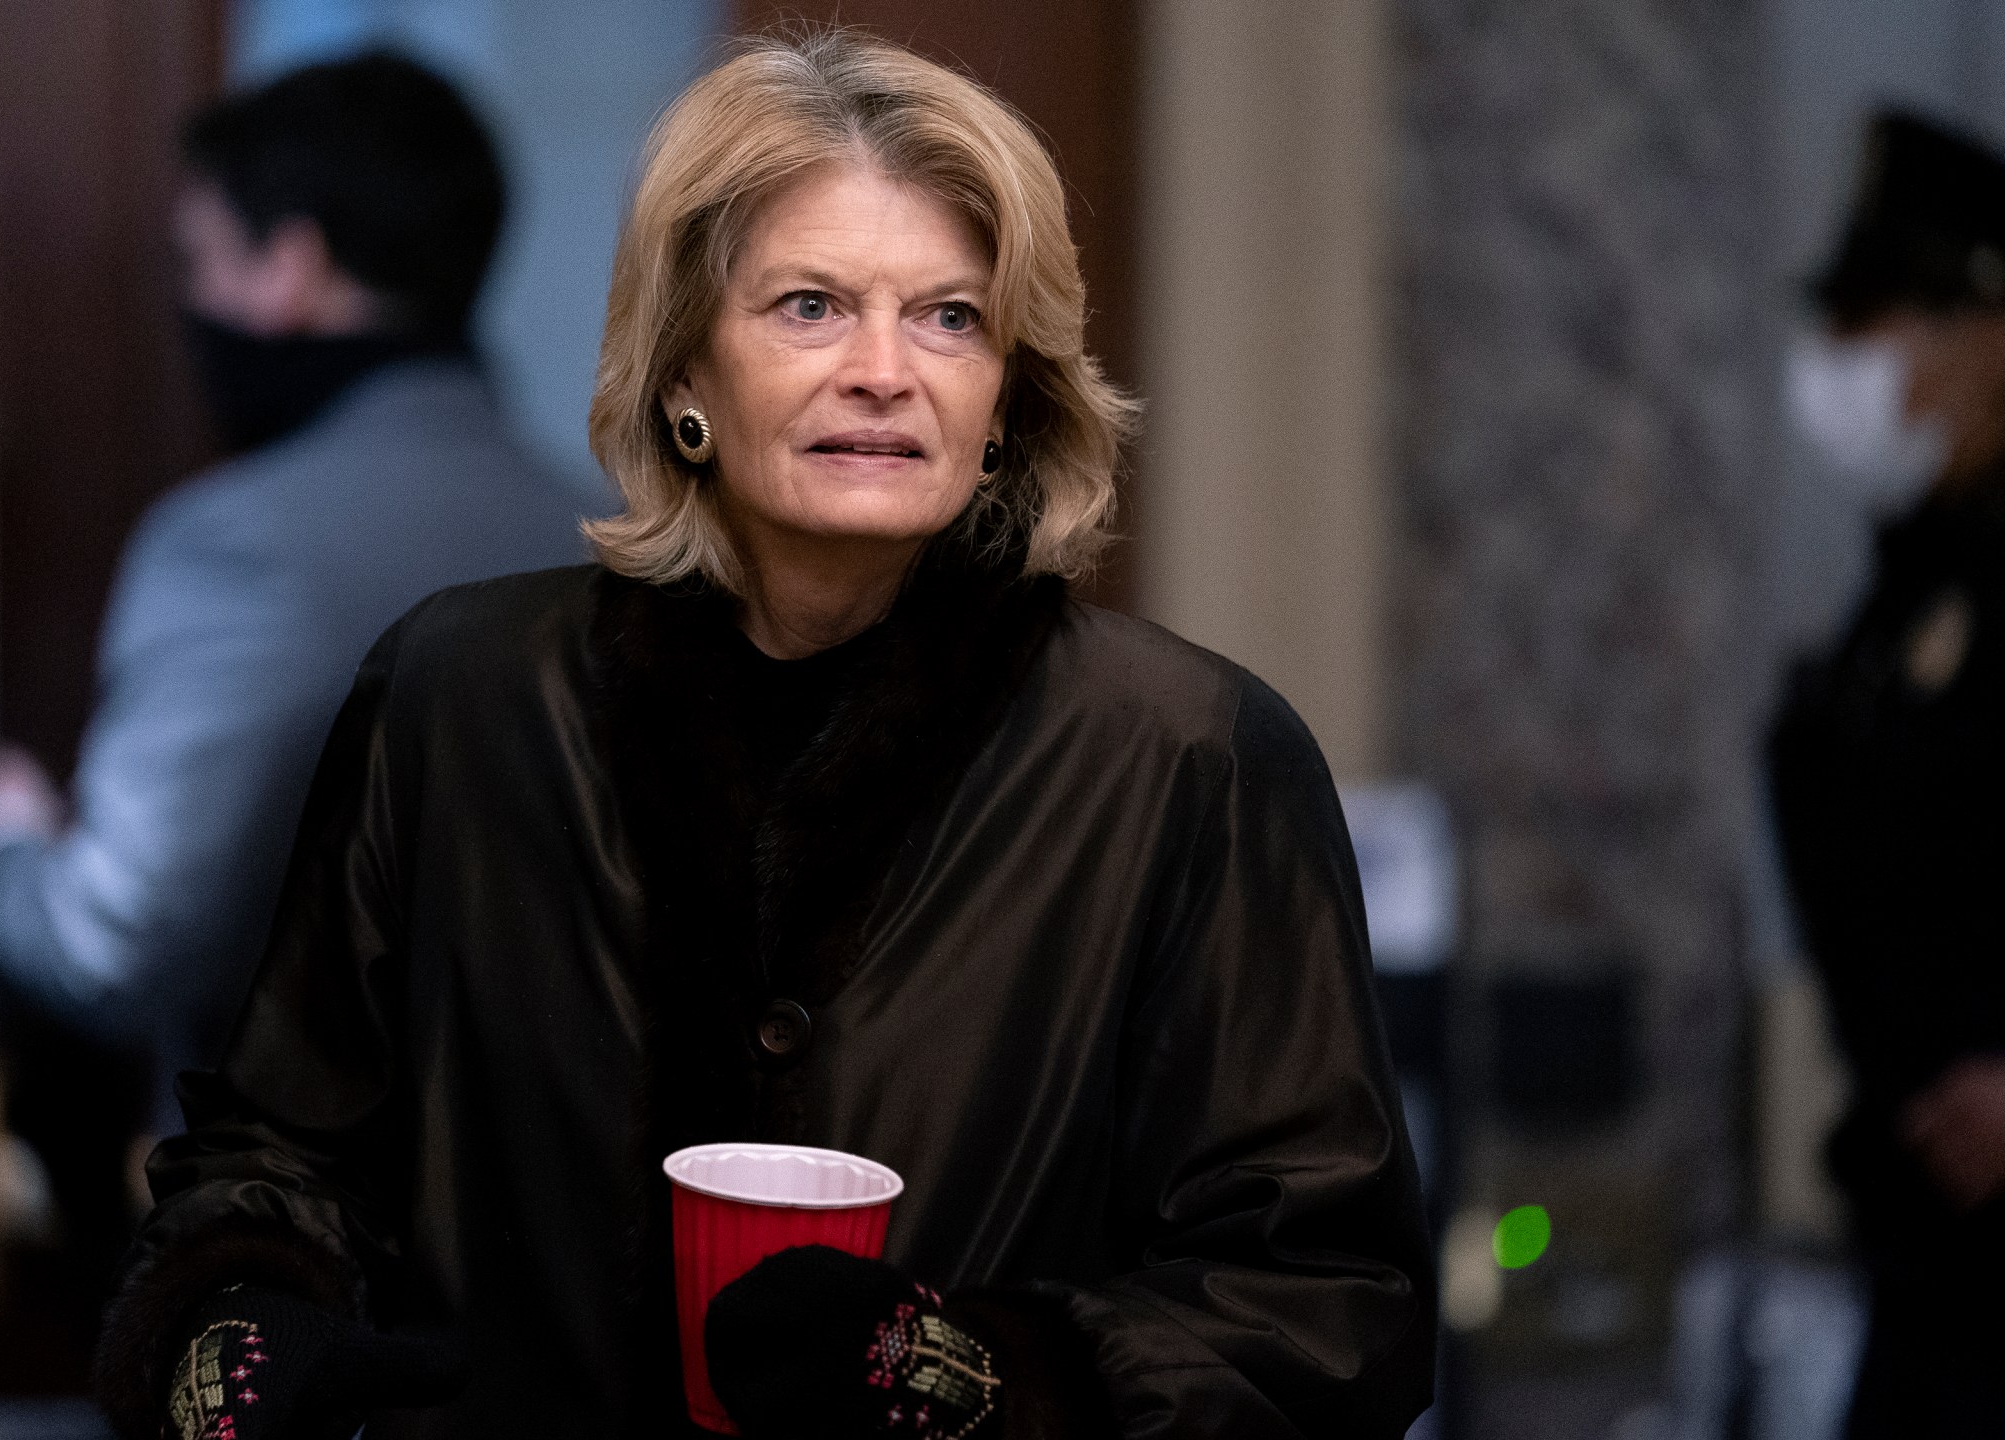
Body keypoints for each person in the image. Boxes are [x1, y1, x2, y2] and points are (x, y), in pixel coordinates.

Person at [96, 30, 1434, 1440]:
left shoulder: (1189, 758)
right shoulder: (459, 696)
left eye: (950, 318)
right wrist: (230, 1345)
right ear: (683, 372)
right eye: (809, 306)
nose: (883, 370)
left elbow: (1330, 1306)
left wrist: (969, 1381)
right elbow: (279, 1156)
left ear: (1007, 401)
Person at [0, 53, 590, 1243]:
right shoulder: (603, 538)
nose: (186, 301)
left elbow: (117, 941)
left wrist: (1, 848)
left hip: (294, 1275)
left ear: (291, 268)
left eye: (198, 261)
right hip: (565, 1264)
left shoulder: (236, 546)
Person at [1771, 110, 2005, 1439]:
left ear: (2004, 347)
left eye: (1879, 322)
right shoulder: (1922, 579)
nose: (1843, 364)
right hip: (1941, 1262)